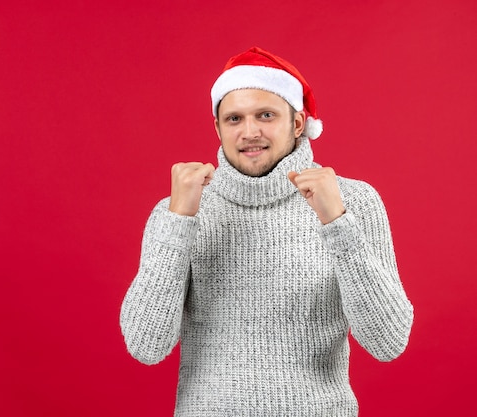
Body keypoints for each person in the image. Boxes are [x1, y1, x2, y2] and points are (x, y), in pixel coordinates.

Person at [120, 46, 413, 416]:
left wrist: (338, 223)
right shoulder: (181, 209)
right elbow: (146, 345)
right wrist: (178, 221)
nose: (249, 132)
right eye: (234, 119)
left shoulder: (352, 201)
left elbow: (388, 342)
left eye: (266, 115)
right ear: (217, 127)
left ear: (297, 123)